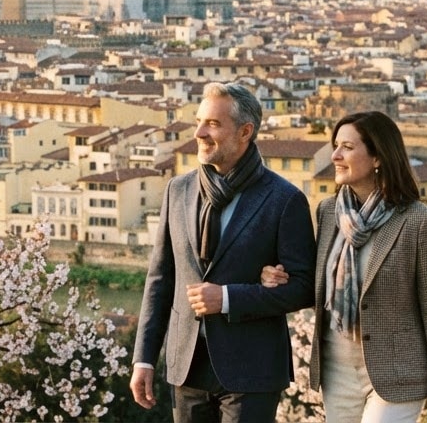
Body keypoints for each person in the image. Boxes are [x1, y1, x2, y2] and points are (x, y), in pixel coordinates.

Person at [131, 81, 316, 422]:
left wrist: (229, 298)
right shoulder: (178, 190)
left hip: (252, 368)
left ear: (245, 131)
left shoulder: (284, 199)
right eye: (199, 121)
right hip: (186, 363)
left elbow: (304, 287)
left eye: (213, 124)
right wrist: (143, 358)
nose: (199, 132)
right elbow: (161, 279)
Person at [261, 111, 427, 423]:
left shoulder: (418, 221)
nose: (336, 156)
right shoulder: (329, 212)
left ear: (378, 156)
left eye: (347, 148)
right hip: (337, 371)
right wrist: (275, 276)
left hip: (397, 374)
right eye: (335, 146)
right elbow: (318, 280)